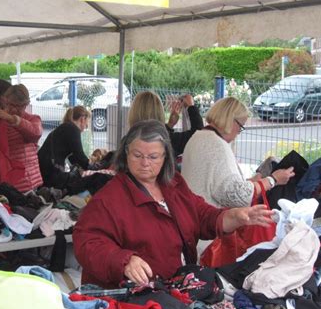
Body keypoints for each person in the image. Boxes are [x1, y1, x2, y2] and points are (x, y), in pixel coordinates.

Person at [73, 120, 274, 288]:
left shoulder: (173, 184)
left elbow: (201, 215)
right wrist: (123, 261)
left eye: (153, 157)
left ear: (165, 157)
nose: (145, 163)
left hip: (174, 288)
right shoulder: (109, 198)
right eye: (137, 155)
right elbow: (87, 241)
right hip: (133, 298)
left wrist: (232, 217)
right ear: (126, 153)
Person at [182, 97, 295, 208]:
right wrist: (272, 180)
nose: (239, 132)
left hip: (192, 212)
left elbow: (219, 185)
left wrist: (254, 180)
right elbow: (237, 197)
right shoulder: (218, 146)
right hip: (207, 221)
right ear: (231, 120)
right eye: (241, 126)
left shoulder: (198, 137)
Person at [128, 91, 203, 156]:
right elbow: (198, 136)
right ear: (159, 112)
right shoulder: (167, 141)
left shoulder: (128, 140)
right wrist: (191, 106)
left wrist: (169, 125)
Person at [37, 106, 91, 189]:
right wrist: (92, 168)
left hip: (44, 165)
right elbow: (79, 155)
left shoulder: (66, 127)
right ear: (82, 119)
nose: (85, 128)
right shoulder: (73, 129)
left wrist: (82, 166)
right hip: (51, 169)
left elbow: (73, 157)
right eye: (86, 125)